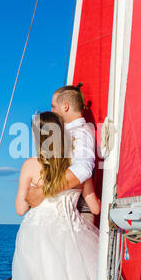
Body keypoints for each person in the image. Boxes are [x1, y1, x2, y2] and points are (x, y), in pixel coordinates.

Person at [9, 111, 100, 280]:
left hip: (37, 235)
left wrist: (35, 194)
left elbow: (20, 209)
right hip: (75, 233)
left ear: (38, 137)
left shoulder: (31, 165)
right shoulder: (78, 168)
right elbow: (95, 208)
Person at [26, 84, 97, 224]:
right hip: (57, 213)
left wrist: (43, 191)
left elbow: (83, 169)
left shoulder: (81, 133)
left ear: (65, 106)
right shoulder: (62, 132)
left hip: (77, 213)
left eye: (54, 106)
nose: (51, 111)